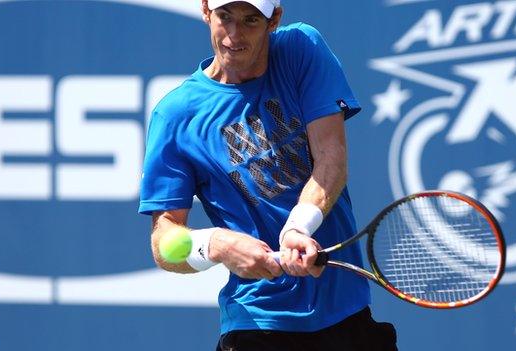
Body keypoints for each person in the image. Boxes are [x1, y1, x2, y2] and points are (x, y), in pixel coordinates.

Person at [139, 0, 397, 350]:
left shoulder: (300, 49)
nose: (233, 35)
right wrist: (217, 245)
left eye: (249, 20)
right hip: (255, 325)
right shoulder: (175, 117)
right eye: (224, 17)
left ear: (274, 19)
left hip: (347, 317)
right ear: (205, 10)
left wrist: (298, 228)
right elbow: (163, 243)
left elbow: (331, 157)